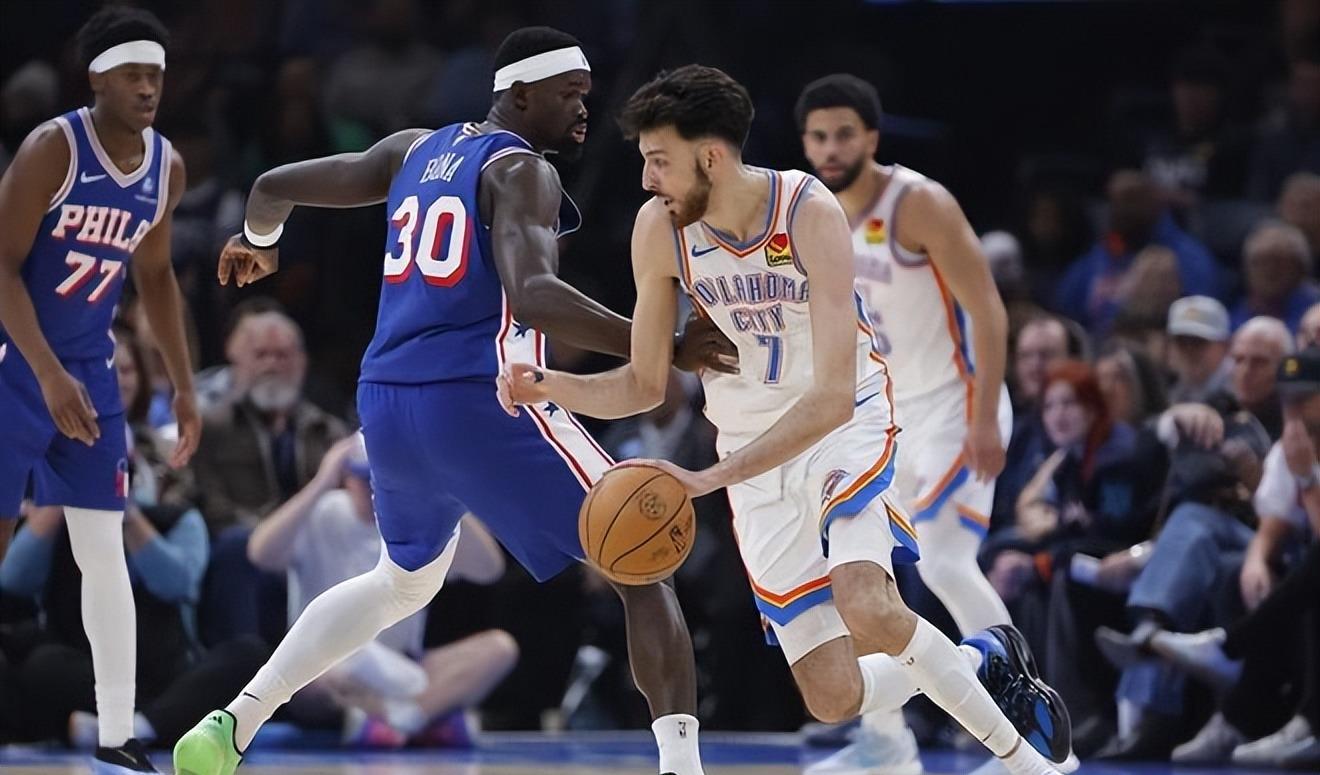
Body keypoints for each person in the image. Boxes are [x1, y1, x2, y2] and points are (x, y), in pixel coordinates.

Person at [173, 27, 732, 775]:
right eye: (570, 94)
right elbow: (535, 295)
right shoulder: (521, 169)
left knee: (401, 581)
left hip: (387, 403)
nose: (584, 110)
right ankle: (683, 769)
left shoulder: (412, 149)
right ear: (520, 95)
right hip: (479, 397)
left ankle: (233, 721)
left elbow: (273, 185)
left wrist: (256, 236)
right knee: (642, 555)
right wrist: (661, 340)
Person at [502, 64, 1071, 775]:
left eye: (660, 160)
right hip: (751, 452)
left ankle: (1033, 763)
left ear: (711, 157)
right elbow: (645, 384)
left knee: (868, 604)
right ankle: (979, 659)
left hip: (841, 428)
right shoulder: (659, 231)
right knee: (832, 695)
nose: (647, 180)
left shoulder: (805, 208)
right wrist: (548, 387)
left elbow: (834, 396)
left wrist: (706, 478)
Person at [792, 72, 1028, 773]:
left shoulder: (918, 203)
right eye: (818, 137)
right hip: (885, 418)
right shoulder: (813, 216)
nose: (831, 149)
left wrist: (984, 417)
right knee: (863, 578)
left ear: (871, 137)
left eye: (844, 134)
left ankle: (1030, 724)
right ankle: (886, 743)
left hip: (957, 405)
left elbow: (988, 311)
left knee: (947, 562)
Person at [0, 7, 201, 773]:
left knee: (103, 543)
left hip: (88, 369)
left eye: (156, 75)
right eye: (133, 75)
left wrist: (183, 385)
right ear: (97, 79)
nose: (148, 88)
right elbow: (2, 266)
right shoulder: (54, 148)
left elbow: (156, 276)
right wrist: (45, 373)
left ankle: (118, 730)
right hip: (14, 360)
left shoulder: (166, 167)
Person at [246, 434, 517, 748]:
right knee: (311, 677)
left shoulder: (421, 523)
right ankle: (418, 719)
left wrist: (441, 489)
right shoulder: (322, 513)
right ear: (347, 478)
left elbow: (489, 569)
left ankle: (400, 719)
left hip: (402, 667)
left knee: (499, 649)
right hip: (329, 665)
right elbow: (259, 553)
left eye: (383, 481)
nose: (374, 490)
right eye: (365, 480)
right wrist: (321, 481)